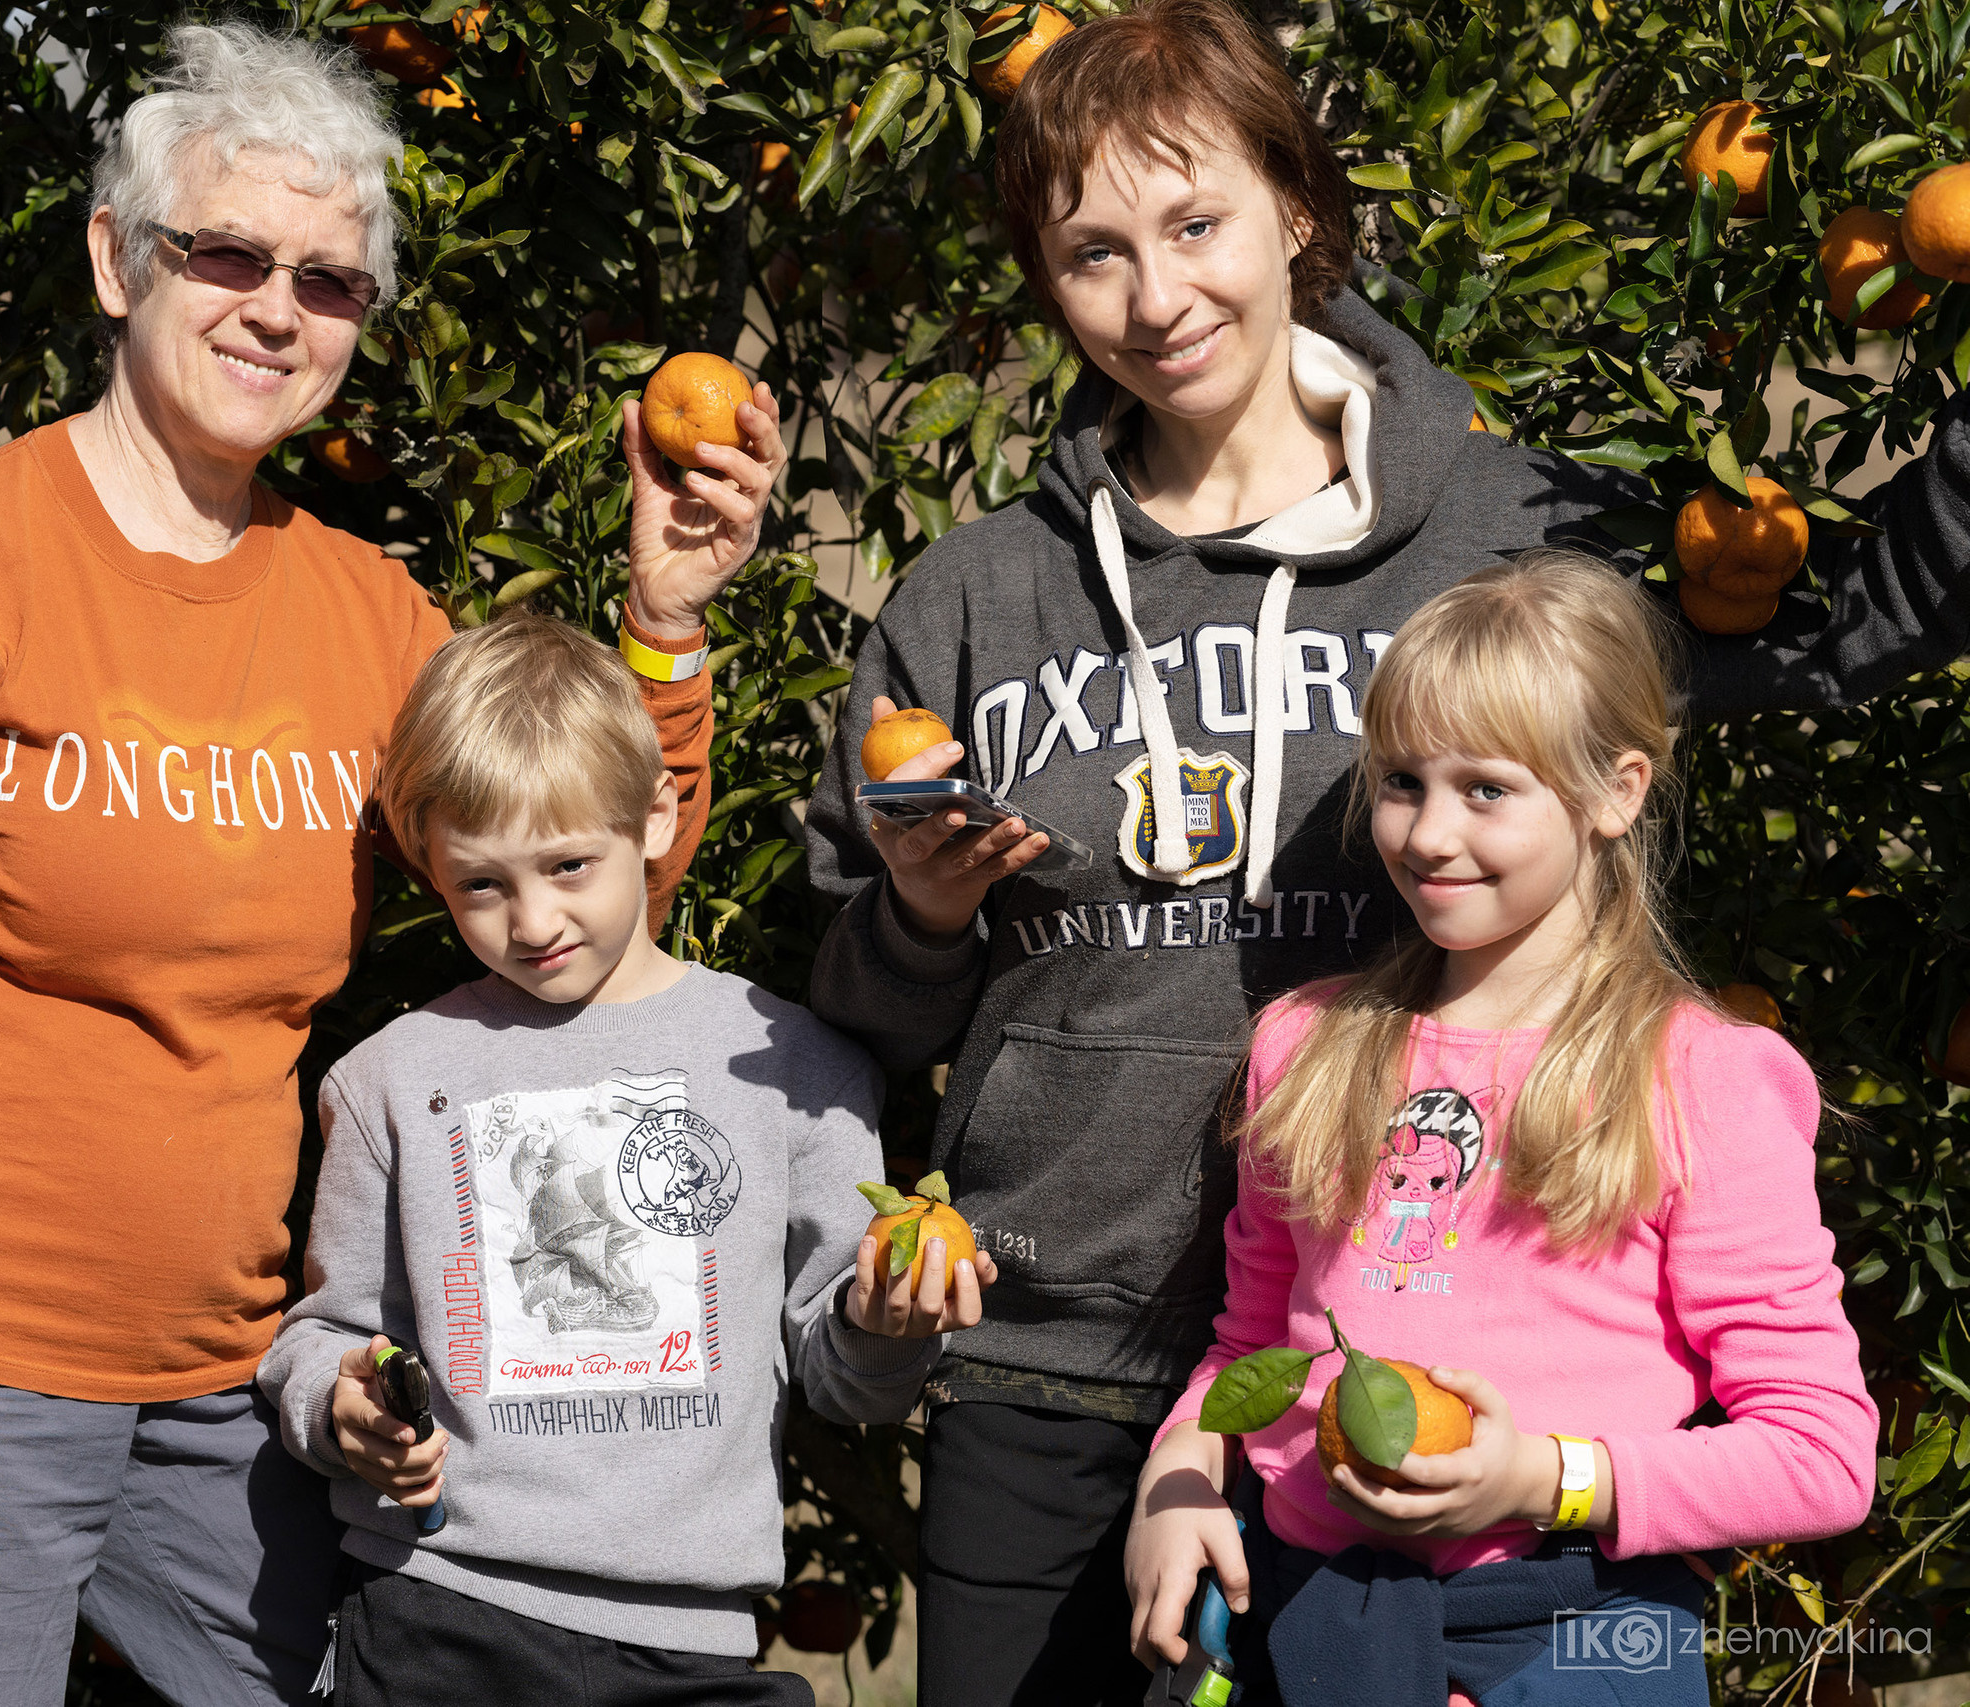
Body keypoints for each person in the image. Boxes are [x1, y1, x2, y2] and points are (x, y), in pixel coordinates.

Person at [800, 1, 1966, 1699]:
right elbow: (859, 1007)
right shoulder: (974, 600)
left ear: (1295, 208)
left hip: (1415, 1402)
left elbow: (1844, 627)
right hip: (1053, 1360)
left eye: (1198, 223)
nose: (1159, 295)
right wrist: (913, 916)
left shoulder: (1523, 529)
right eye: (1094, 253)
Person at [0, 23, 786, 1705]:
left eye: (333, 280)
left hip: (223, 1377)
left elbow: (573, 890)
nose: (278, 309)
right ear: (115, 259)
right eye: (227, 254)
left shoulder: (364, 616)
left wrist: (663, 633)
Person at [1126, 553, 1875, 1706]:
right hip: (1316, 1612)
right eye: (1401, 781)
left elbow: (1820, 1453)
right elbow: (1251, 1346)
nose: (1426, 834)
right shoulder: (1310, 1046)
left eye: (1485, 789)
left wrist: (1539, 1478)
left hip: (1572, 1628)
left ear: (1616, 792)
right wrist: (1180, 1475)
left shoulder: (1698, 1076)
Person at [257, 613, 993, 1705]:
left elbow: (846, 1379)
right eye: (481, 885)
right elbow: (325, 1338)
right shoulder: (388, 1081)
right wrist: (343, 1411)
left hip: (690, 1636)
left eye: (566, 865)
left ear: (654, 817)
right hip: (438, 1609)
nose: (534, 919)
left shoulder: (790, 1063)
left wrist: (886, 1324)